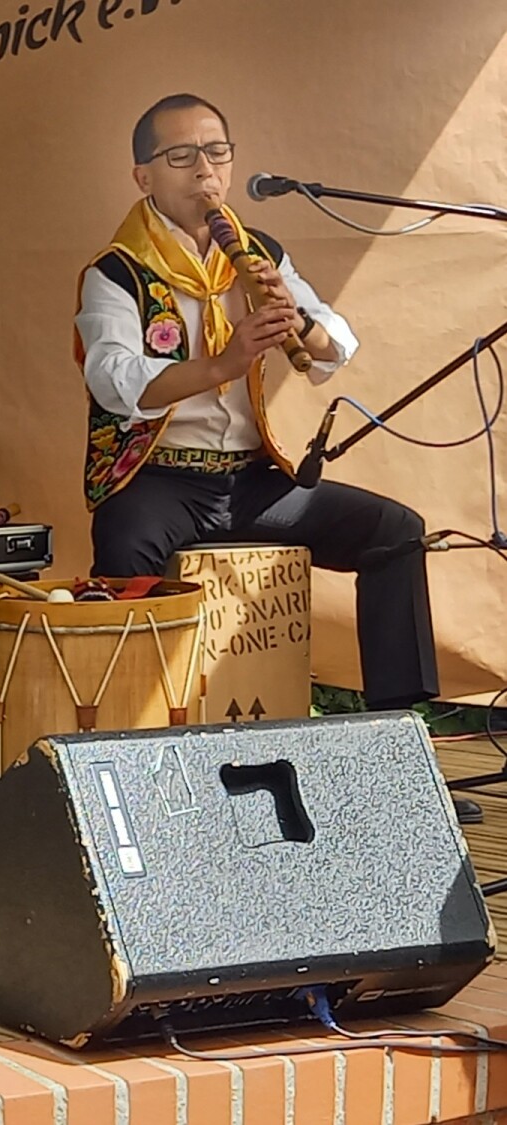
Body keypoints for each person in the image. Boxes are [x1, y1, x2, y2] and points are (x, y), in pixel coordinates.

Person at [72, 94, 463, 815]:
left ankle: (401, 755)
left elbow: (333, 345)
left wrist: (299, 322)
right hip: (161, 479)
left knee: (395, 532)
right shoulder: (117, 271)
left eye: (217, 152)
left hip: (253, 481)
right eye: (181, 156)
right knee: (122, 546)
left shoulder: (256, 254)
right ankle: (136, 778)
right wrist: (222, 364)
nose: (205, 172)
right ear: (143, 177)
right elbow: (115, 379)